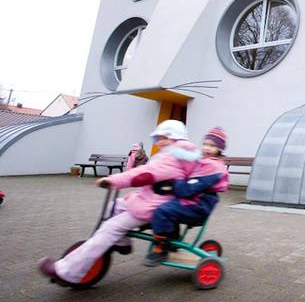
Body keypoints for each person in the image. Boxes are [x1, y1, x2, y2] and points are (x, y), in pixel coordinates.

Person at [38, 120, 201, 285]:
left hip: (153, 208)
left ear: (175, 138)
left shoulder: (172, 158)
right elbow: (145, 172)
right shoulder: (173, 155)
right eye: (157, 138)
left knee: (110, 227)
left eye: (162, 137)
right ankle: (123, 243)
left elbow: (145, 174)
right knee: (113, 206)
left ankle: (67, 271)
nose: (158, 141)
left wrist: (114, 180)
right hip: (147, 200)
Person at [145, 127, 229, 266]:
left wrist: (175, 184)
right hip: (193, 202)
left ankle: (161, 248)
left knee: (163, 210)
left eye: (212, 145)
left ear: (220, 149)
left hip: (198, 207)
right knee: (161, 205)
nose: (207, 148)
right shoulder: (203, 161)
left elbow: (188, 189)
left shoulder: (213, 168)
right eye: (205, 144)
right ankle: (170, 236)